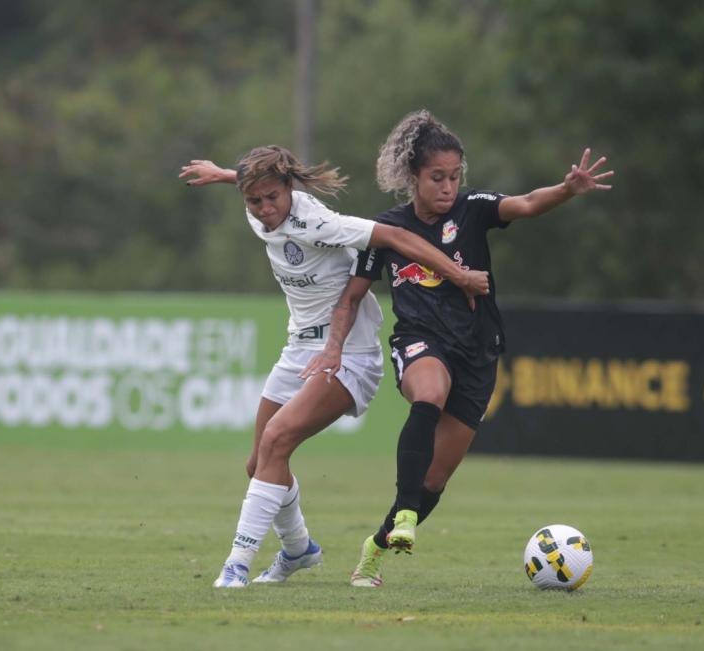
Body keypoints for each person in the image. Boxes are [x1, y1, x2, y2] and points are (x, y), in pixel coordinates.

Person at [300, 109, 614, 587]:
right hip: (419, 340)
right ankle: (406, 514)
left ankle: (377, 545)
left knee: (434, 480)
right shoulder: (387, 230)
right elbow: (351, 297)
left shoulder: (473, 209)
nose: (448, 187)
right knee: (429, 393)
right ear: (413, 177)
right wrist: (333, 348)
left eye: (454, 176)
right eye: (437, 178)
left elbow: (528, 203)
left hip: (477, 352)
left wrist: (566, 189)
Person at [178, 145, 489, 588]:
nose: (265, 209)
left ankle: (236, 565)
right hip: (298, 349)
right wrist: (225, 173)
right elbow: (257, 183)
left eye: (272, 198)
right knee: (259, 462)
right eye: (254, 200)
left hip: (348, 354)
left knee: (277, 438)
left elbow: (397, 237)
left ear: (289, 189)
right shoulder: (258, 207)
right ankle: (298, 550)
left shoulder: (319, 223)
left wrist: (459, 276)